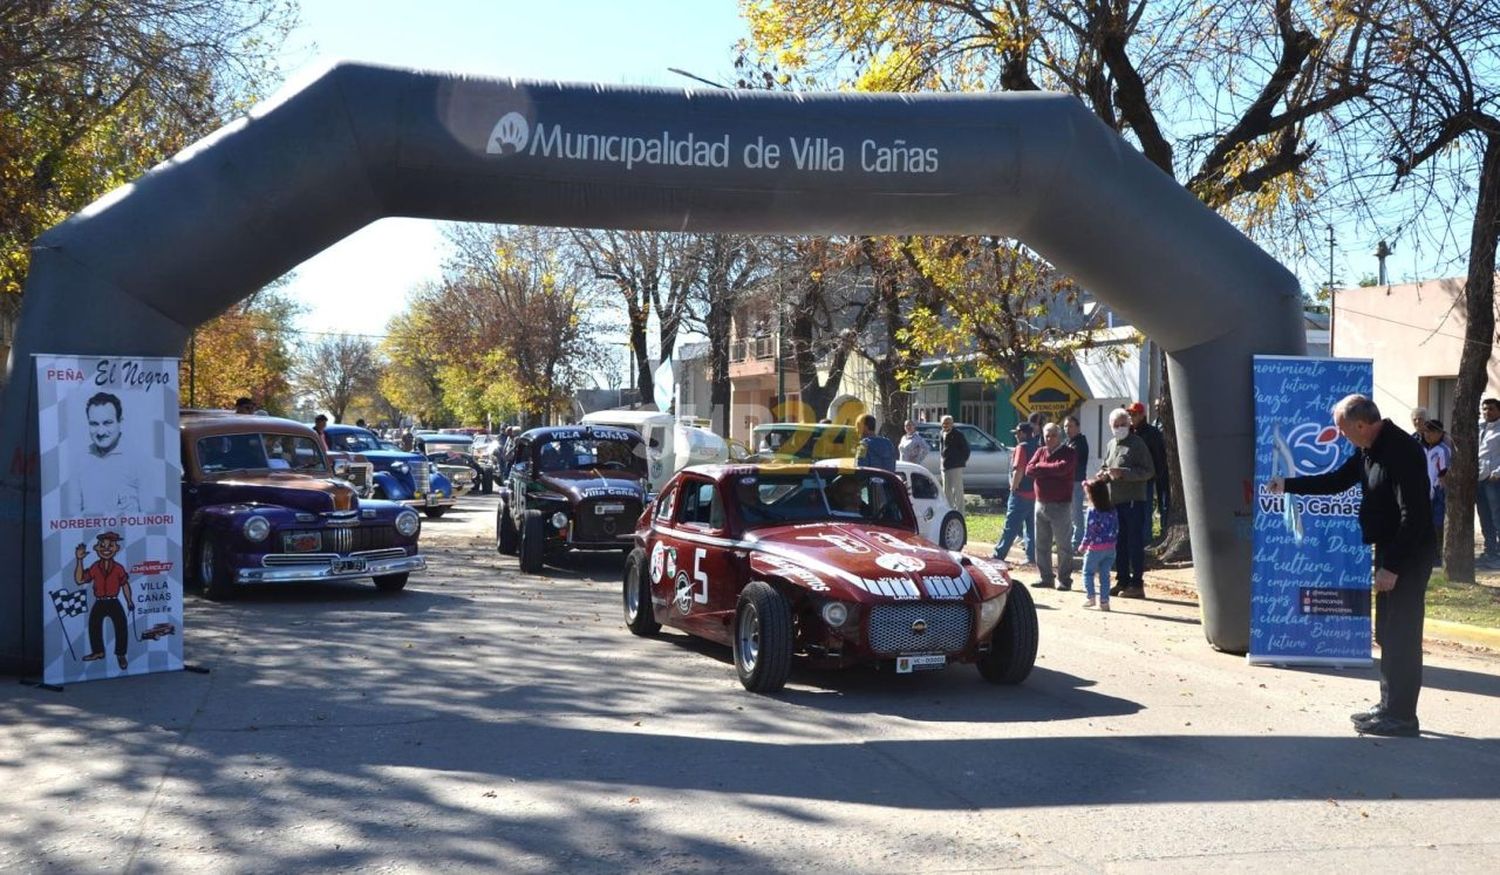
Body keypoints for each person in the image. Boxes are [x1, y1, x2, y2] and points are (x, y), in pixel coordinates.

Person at [1268, 394, 1434, 738]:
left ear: (1361, 425)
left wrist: (1393, 567)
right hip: (1389, 549)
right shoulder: (1369, 448)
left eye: (1343, 430)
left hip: (1408, 554)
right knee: (1387, 631)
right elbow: (1337, 481)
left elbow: (1414, 516)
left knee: (1402, 634)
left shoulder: (1400, 451)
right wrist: (1288, 485)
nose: (1340, 435)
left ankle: (1403, 717)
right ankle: (1389, 706)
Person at [1100, 407, 1154, 598]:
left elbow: (1148, 471)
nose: (1120, 428)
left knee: (1134, 543)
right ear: (1111, 426)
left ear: (1129, 424)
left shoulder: (1137, 443)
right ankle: (1122, 581)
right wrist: (1104, 475)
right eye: (1116, 425)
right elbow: (1106, 466)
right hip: (1116, 502)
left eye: (1123, 424)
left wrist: (1124, 473)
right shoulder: (1111, 444)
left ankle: (1137, 583)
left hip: (1134, 501)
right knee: (1119, 543)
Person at [69, 392, 142, 515]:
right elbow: (71, 515)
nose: (101, 432)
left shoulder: (140, 460)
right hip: (88, 534)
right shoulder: (79, 460)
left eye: (107, 423)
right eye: (94, 424)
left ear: (120, 422)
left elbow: (154, 515)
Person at [1026, 423, 1077, 590]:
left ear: (1059, 436)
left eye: (1052, 435)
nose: (1049, 439)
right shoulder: (1040, 451)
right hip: (1040, 503)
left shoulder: (1069, 453)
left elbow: (1062, 468)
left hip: (1061, 504)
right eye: (1046, 436)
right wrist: (1047, 469)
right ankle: (1046, 577)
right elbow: (1029, 470)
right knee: (1041, 544)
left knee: (1063, 545)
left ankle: (1065, 579)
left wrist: (1041, 468)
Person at [73, 532, 134, 670]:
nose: (106, 549)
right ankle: (98, 651)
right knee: (94, 625)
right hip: (100, 601)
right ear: (96, 548)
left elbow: (125, 584)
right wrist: (79, 560)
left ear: (116, 548)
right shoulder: (95, 567)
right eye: (102, 545)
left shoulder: (118, 568)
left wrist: (129, 601)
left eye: (110, 545)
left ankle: (121, 654)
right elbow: (79, 579)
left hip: (114, 601)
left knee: (121, 626)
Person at [992, 422, 1039, 566]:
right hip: (1034, 493)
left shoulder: (1021, 447)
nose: (1016, 436)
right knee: (1031, 528)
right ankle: (1031, 557)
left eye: (1018, 433)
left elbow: (1019, 469)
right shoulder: (1038, 447)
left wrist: (1014, 487)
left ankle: (999, 554)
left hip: (1021, 493)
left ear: (1024, 433)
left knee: (1010, 526)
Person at [1128, 401, 1168, 537]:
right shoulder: (1129, 432)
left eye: (1133, 414)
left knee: (1146, 510)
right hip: (1131, 478)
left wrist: (1154, 475)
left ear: (1141, 415)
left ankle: (1146, 539)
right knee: (1133, 511)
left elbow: (1159, 456)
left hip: (1146, 478)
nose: (1131, 417)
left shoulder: (1152, 432)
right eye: (1129, 414)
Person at [1077, 478, 1118, 611]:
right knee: (1105, 575)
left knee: (1088, 573)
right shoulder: (1112, 510)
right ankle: (1105, 602)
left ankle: (1090, 597)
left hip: (1095, 548)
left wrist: (1083, 545)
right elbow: (1116, 528)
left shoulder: (1092, 511)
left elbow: (1090, 531)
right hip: (1110, 548)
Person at [1477, 398, 1500, 566]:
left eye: (1491, 409)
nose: (1487, 412)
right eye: (1484, 409)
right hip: (1478, 479)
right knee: (1484, 517)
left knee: (1496, 516)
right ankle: (1490, 551)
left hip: (1494, 480)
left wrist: (1497, 472)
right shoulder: (1480, 428)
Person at [1422, 419, 1450, 561]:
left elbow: (1444, 471)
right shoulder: (1424, 449)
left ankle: (1439, 555)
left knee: (1438, 522)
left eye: (1431, 431)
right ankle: (1429, 552)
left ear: (1439, 433)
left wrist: (1440, 490)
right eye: (1425, 431)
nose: (1427, 435)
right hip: (1425, 491)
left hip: (1438, 491)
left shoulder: (1443, 450)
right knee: (1427, 522)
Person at [1064, 414, 1089, 551]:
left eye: (1070, 426)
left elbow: (1070, 460)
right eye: (1065, 426)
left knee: (1076, 514)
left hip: (1076, 482)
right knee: (1069, 514)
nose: (1067, 429)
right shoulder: (1069, 442)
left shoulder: (1079, 442)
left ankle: (1077, 543)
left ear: (1078, 427)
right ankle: (1071, 541)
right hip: (1068, 483)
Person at [939, 415, 969, 509]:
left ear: (952, 424)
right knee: (946, 491)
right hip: (945, 466)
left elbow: (966, 450)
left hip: (955, 466)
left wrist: (959, 461)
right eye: (943, 423)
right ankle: (949, 511)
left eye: (947, 423)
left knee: (957, 491)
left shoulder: (958, 434)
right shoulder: (941, 433)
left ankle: (960, 513)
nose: (945, 425)